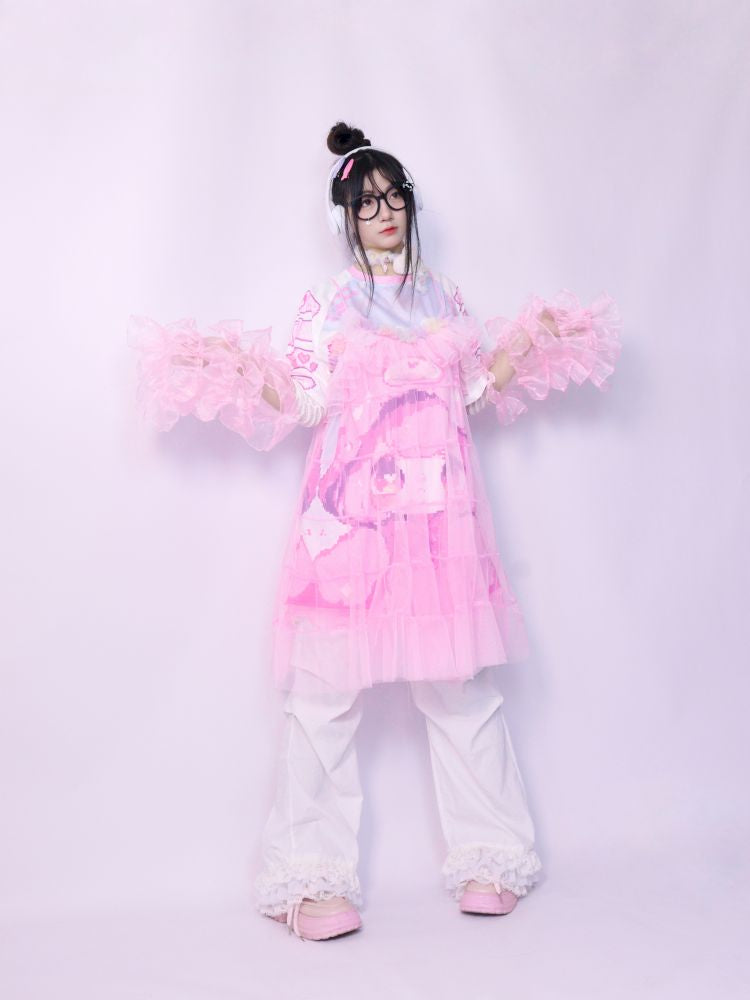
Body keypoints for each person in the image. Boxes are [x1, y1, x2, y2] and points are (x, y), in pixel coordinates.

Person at [128, 121, 622, 942]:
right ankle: (307, 875)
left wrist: (538, 345)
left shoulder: (445, 296)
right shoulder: (327, 304)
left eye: (394, 198)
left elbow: (470, 392)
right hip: (350, 521)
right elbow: (307, 402)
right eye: (366, 203)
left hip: (438, 528)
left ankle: (492, 857)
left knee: (460, 688)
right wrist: (226, 370)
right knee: (323, 696)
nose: (384, 212)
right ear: (344, 219)